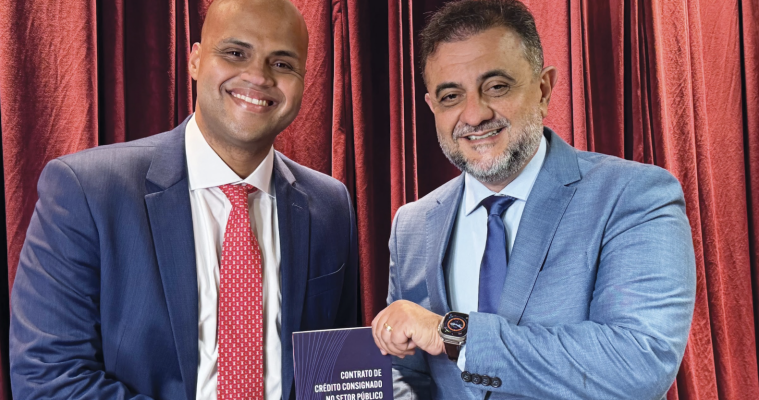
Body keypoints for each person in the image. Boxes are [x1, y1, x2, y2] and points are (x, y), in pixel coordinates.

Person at [9, 0, 358, 399]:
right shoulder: (86, 191)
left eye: (281, 63)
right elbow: (48, 378)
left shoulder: (330, 205)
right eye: (235, 53)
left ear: (303, 80)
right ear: (194, 60)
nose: (258, 76)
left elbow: (337, 375)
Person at [371, 1, 696, 399]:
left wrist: (451, 334)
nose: (473, 115)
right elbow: (406, 372)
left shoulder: (634, 196)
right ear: (432, 107)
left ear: (543, 89)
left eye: (496, 86)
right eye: (451, 96)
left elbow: (638, 363)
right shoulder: (412, 225)